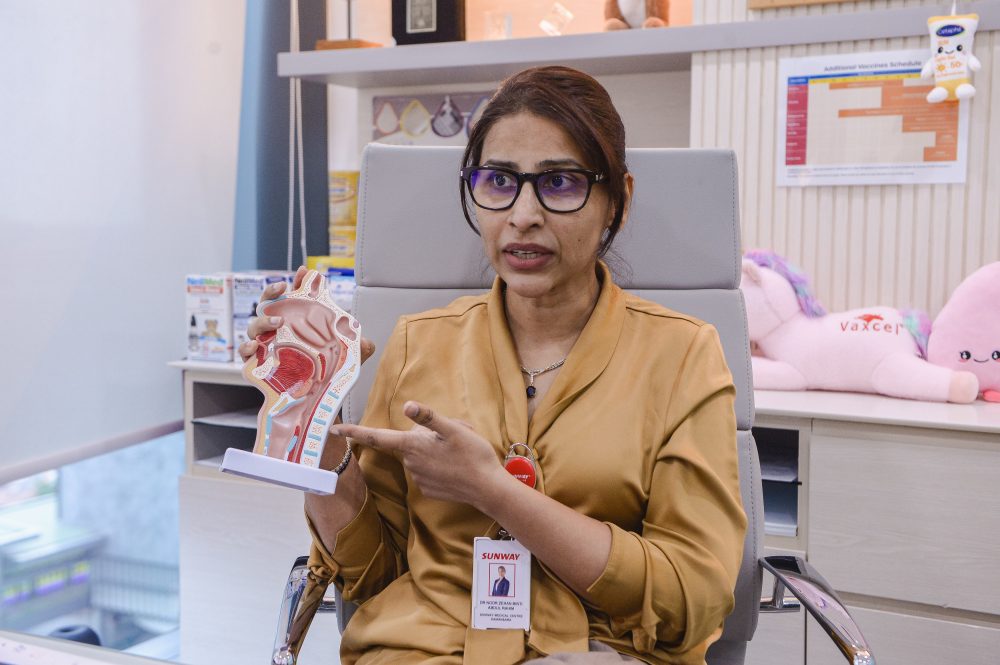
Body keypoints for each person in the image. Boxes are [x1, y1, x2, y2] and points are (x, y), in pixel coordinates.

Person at [241, 65, 746, 665]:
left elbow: (693, 596)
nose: (523, 214)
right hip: (422, 650)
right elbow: (372, 574)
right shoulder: (417, 343)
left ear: (619, 200)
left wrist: (496, 493)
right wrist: (316, 431)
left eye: (559, 182)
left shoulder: (683, 355)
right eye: (499, 180)